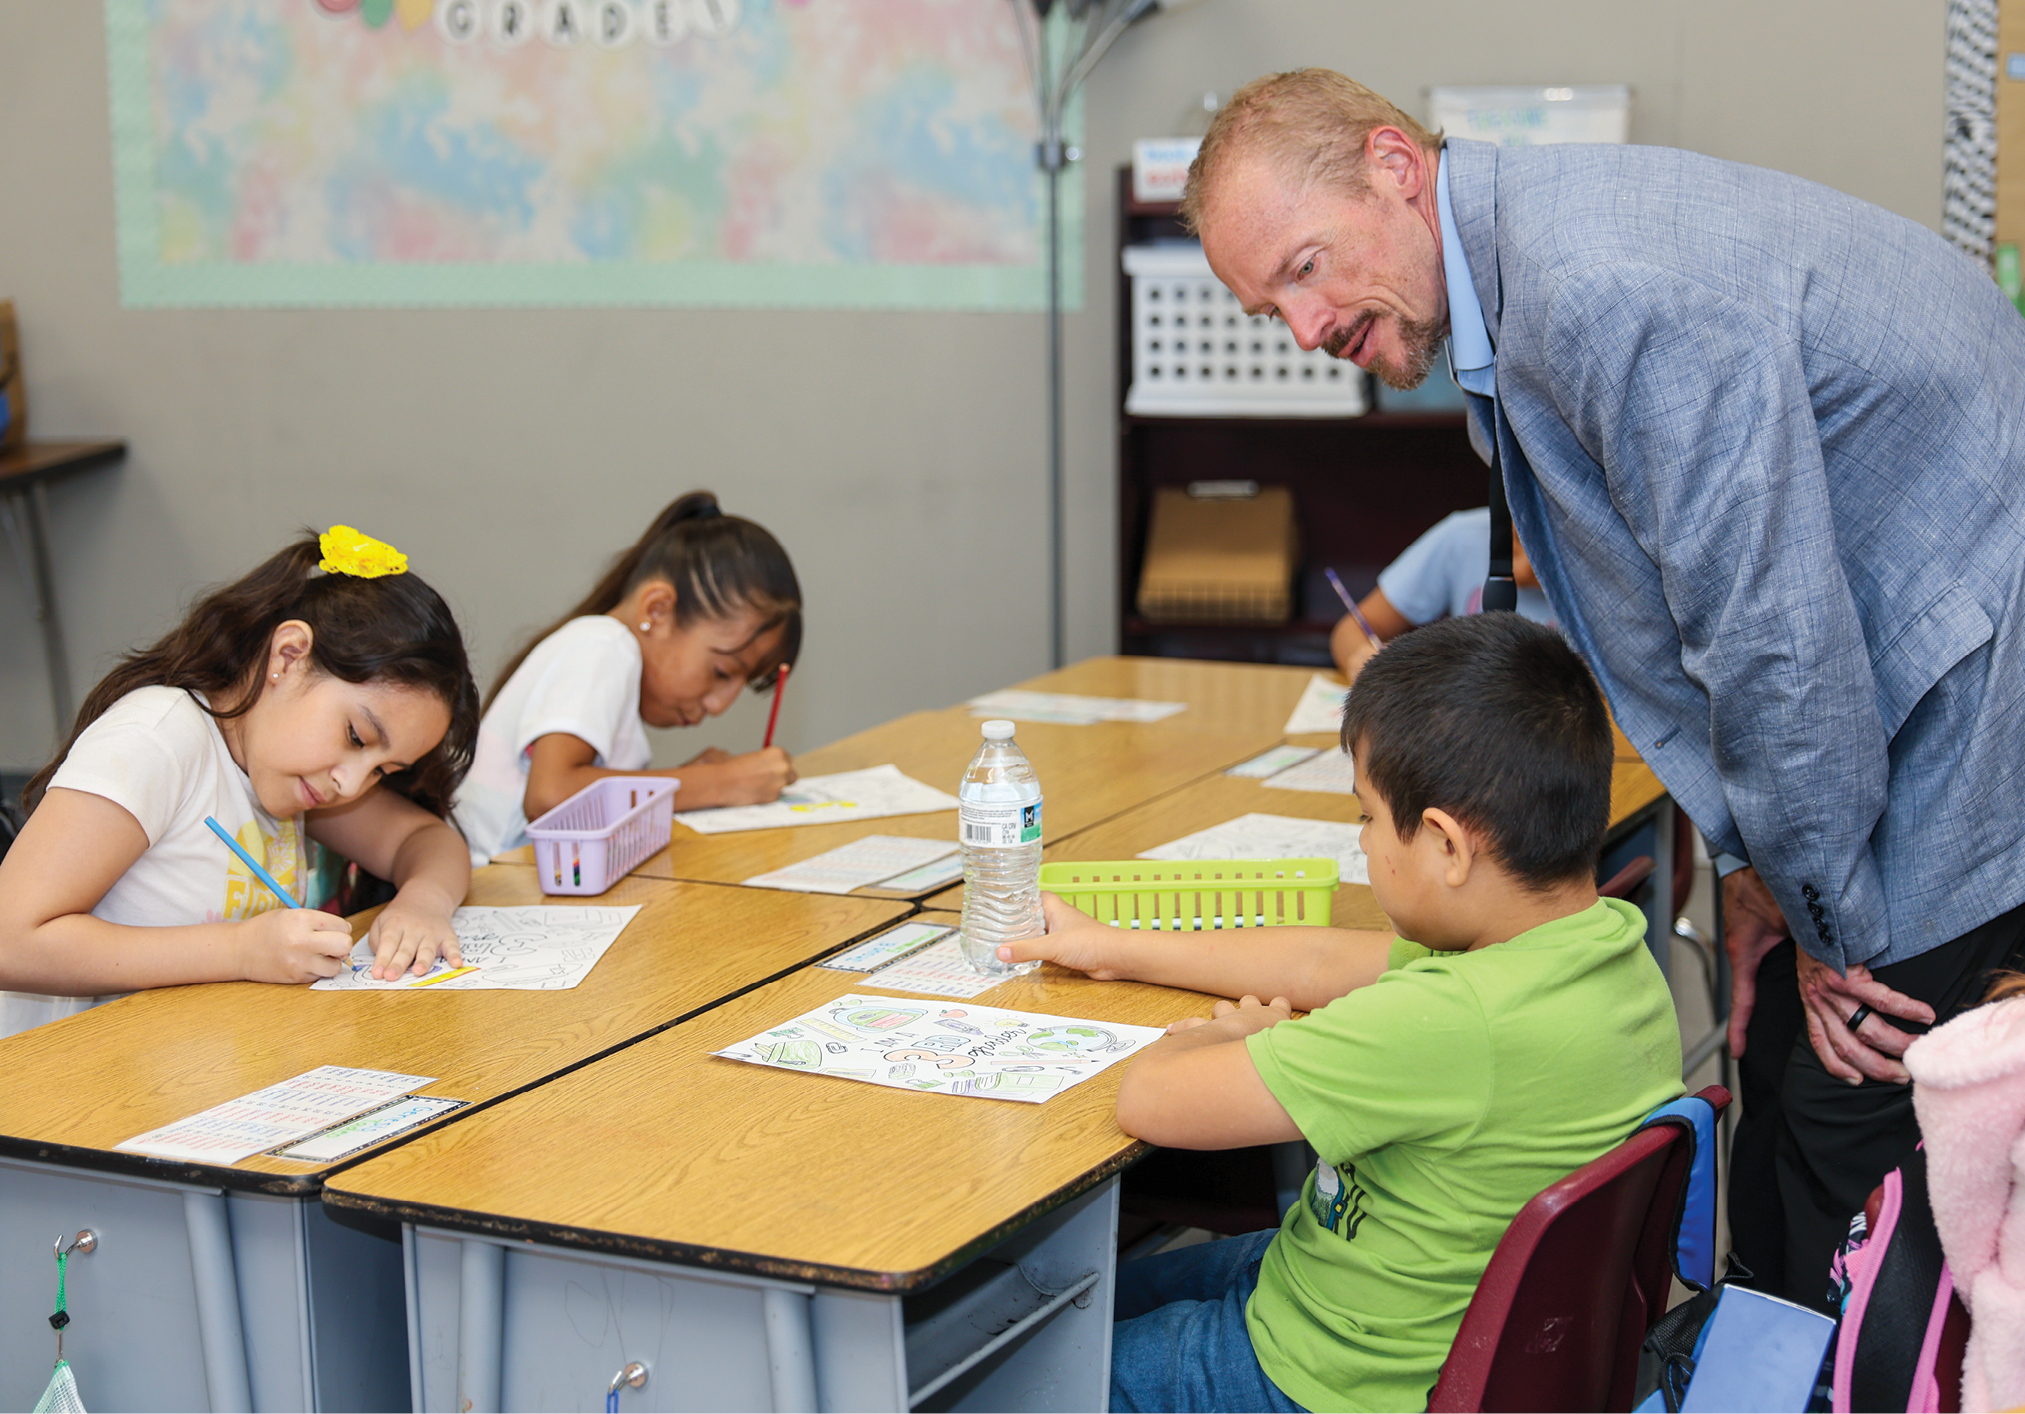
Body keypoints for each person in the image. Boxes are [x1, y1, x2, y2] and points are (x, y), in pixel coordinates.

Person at [1183, 67, 2025, 1310]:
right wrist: (1756, 877)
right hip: (1899, 693)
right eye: (1271, 312)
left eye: (1305, 269)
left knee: (1851, 1131)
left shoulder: (1599, 286)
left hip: (1957, 706)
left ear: (1394, 168)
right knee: (1782, 1091)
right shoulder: (1524, 269)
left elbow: (1772, 640)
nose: (1308, 331)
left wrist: (1826, 923)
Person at [1001, 614, 1682, 1412]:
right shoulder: (1594, 945)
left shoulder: (1446, 1021)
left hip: (1330, 1376)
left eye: (1363, 815)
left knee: (1023, 1367)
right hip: (1413, 1310)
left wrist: (1233, 1035)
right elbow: (1320, 962)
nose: (1359, 841)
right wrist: (1115, 948)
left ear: (1445, 845)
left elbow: (1149, 1102)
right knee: (1079, 1300)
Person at [0, 526, 481, 1038]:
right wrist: (240, 950)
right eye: (357, 737)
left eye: (384, 771)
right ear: (289, 657)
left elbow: (425, 840)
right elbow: (12, 940)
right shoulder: (157, 740)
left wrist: (422, 903)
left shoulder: (292, 774)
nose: (352, 783)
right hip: (67, 1085)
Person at [455, 491, 801, 863]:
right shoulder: (603, 646)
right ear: (657, 610)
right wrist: (719, 784)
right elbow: (551, 797)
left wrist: (686, 780)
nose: (719, 705)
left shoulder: (606, 655)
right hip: (488, 890)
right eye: (721, 672)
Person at [1329, 508, 1552, 682]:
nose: (1520, 570)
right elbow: (1352, 629)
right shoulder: (1464, 536)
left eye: (1544, 552)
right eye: (1516, 539)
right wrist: (1359, 660)